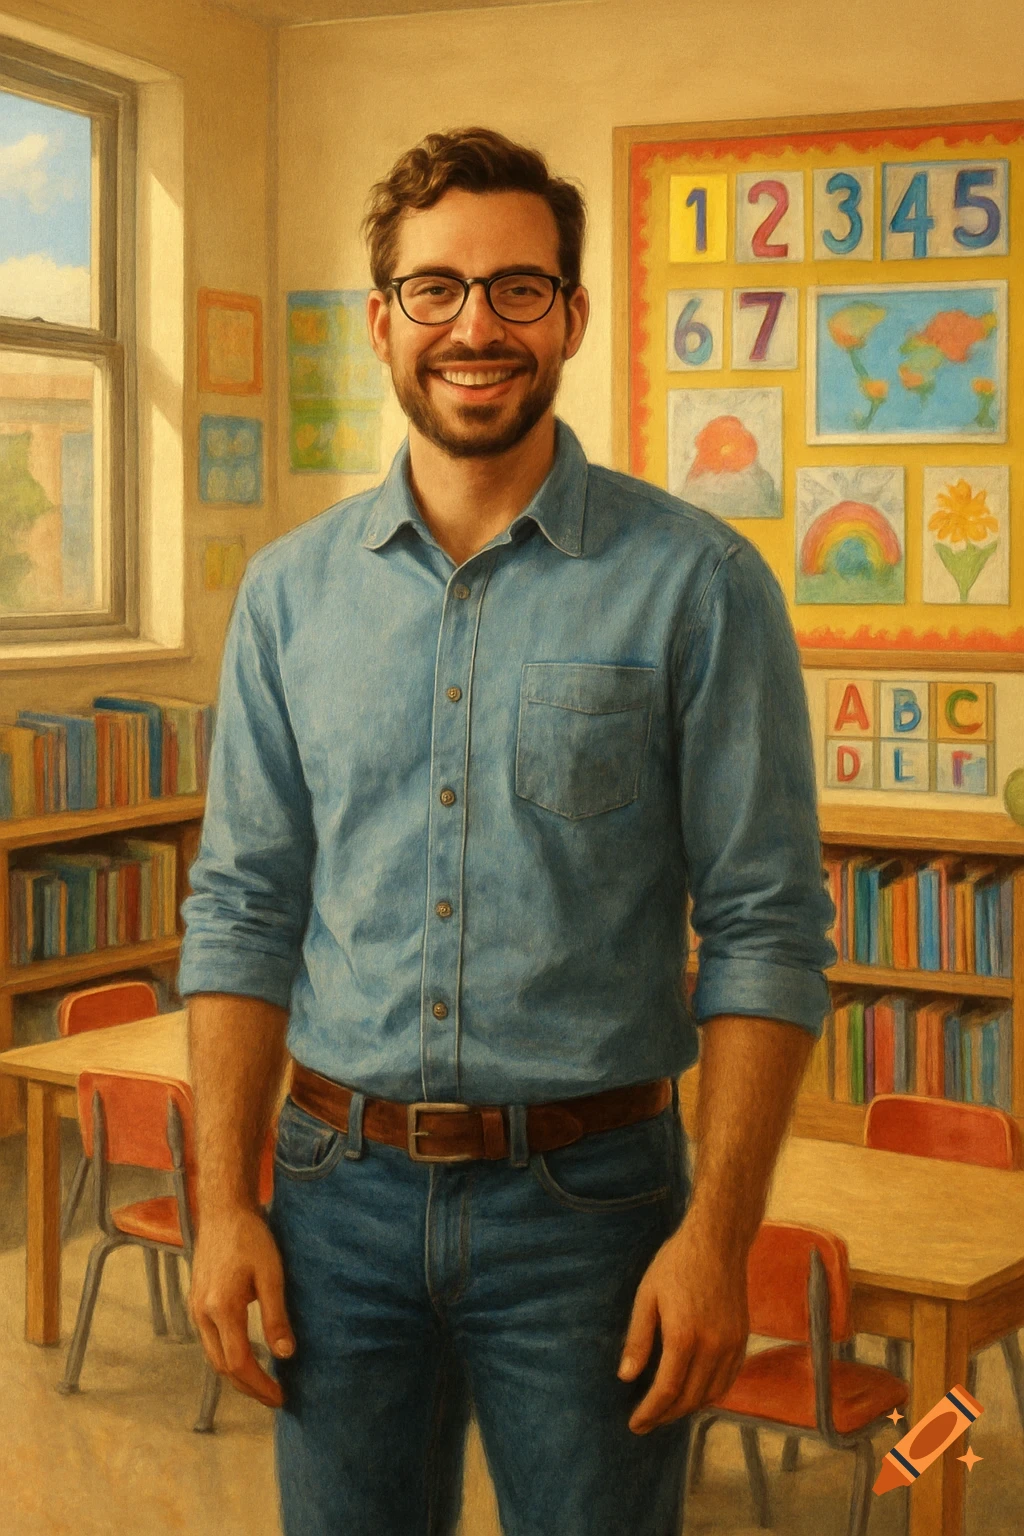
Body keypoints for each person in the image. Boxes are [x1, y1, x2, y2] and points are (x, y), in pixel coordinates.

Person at [180, 126, 835, 1536]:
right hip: (329, 1204)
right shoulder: (289, 599)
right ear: (382, 321)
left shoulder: (701, 587)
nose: (474, 325)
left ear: (573, 315)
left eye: (517, 288)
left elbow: (766, 932)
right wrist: (224, 1206)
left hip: (593, 1218)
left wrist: (717, 1238)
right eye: (435, 289)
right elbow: (241, 909)